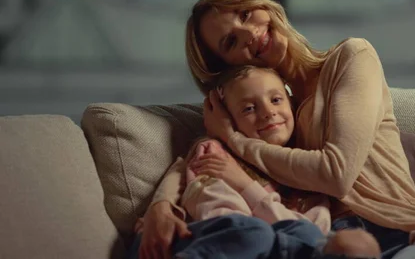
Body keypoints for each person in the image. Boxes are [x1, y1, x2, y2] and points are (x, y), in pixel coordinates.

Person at [141, 0, 415, 259]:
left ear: (263, 7)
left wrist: (236, 141)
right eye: (230, 42)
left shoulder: (351, 58)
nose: (250, 34)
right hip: (328, 242)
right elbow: (200, 155)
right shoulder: (265, 118)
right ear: (225, 68)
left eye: (245, 14)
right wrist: (160, 206)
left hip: (409, 233)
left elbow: (336, 174)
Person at [131, 65, 381, 259]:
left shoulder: (305, 174)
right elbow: (218, 216)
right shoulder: (215, 154)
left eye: (276, 100)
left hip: (269, 247)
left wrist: (247, 189)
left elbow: (313, 233)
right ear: (227, 120)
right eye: (249, 108)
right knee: (253, 233)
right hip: (184, 243)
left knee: (318, 238)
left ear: (291, 103)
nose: (267, 112)